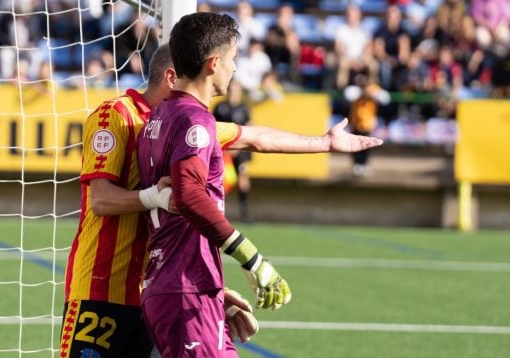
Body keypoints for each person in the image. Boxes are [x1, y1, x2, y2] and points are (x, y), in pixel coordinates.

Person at [61, 42, 383, 357]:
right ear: (174, 76)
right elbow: (100, 200)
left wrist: (325, 141)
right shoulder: (115, 115)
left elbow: (256, 138)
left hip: (151, 289)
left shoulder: (184, 122)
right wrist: (153, 197)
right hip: (100, 287)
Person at [213, 80, 252, 222]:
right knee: (222, 180)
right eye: (231, 90)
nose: (233, 93)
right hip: (223, 151)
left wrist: (239, 147)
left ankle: (245, 211)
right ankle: (217, 209)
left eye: (236, 90)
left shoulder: (244, 108)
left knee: (243, 176)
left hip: (241, 150)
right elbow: (213, 128)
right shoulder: (220, 107)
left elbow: (249, 128)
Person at [344, 75, 391, 177]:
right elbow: (349, 95)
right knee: (354, 145)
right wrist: (362, 93)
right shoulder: (355, 91)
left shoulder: (374, 91)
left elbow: (385, 99)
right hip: (355, 123)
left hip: (368, 124)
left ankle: (363, 164)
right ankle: (356, 164)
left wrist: (373, 93)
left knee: (366, 146)